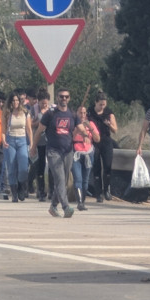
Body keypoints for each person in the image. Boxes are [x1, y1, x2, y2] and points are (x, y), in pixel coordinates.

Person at [34, 88, 80, 218]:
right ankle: (66, 207)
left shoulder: (72, 114)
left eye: (66, 97)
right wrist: (33, 147)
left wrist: (86, 132)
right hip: (54, 151)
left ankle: (53, 206)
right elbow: (39, 131)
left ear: (69, 98)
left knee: (63, 181)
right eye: (61, 96)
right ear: (57, 98)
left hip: (68, 151)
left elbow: (79, 128)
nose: (64, 99)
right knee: (59, 179)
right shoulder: (50, 114)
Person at [3, 92, 34, 202]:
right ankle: (14, 192)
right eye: (13, 100)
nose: (15, 102)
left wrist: (31, 143)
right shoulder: (7, 113)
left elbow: (29, 129)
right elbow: (3, 130)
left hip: (22, 141)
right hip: (10, 140)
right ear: (10, 102)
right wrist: (3, 140)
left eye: (17, 100)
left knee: (23, 167)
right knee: (11, 167)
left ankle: (22, 186)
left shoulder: (25, 113)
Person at [87, 91, 118, 202]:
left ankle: (107, 190)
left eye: (104, 104)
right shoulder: (89, 112)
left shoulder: (108, 113)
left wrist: (109, 125)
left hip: (106, 141)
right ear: (96, 102)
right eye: (100, 104)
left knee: (107, 166)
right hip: (94, 142)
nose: (102, 107)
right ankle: (98, 193)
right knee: (96, 167)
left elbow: (115, 130)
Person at [72, 106, 100, 211]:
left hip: (88, 153)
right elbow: (70, 137)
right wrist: (78, 129)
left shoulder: (91, 124)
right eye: (80, 113)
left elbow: (97, 139)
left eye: (84, 113)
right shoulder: (74, 123)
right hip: (77, 153)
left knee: (85, 180)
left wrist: (90, 128)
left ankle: (83, 201)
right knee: (78, 178)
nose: (83, 115)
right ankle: (79, 202)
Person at [32, 89, 52, 201]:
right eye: (42, 103)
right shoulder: (34, 109)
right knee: (40, 165)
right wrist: (39, 123)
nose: (44, 105)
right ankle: (41, 190)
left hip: (50, 141)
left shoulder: (52, 109)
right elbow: (29, 123)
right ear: (38, 102)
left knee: (51, 166)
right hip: (39, 140)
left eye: (46, 103)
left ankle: (51, 190)